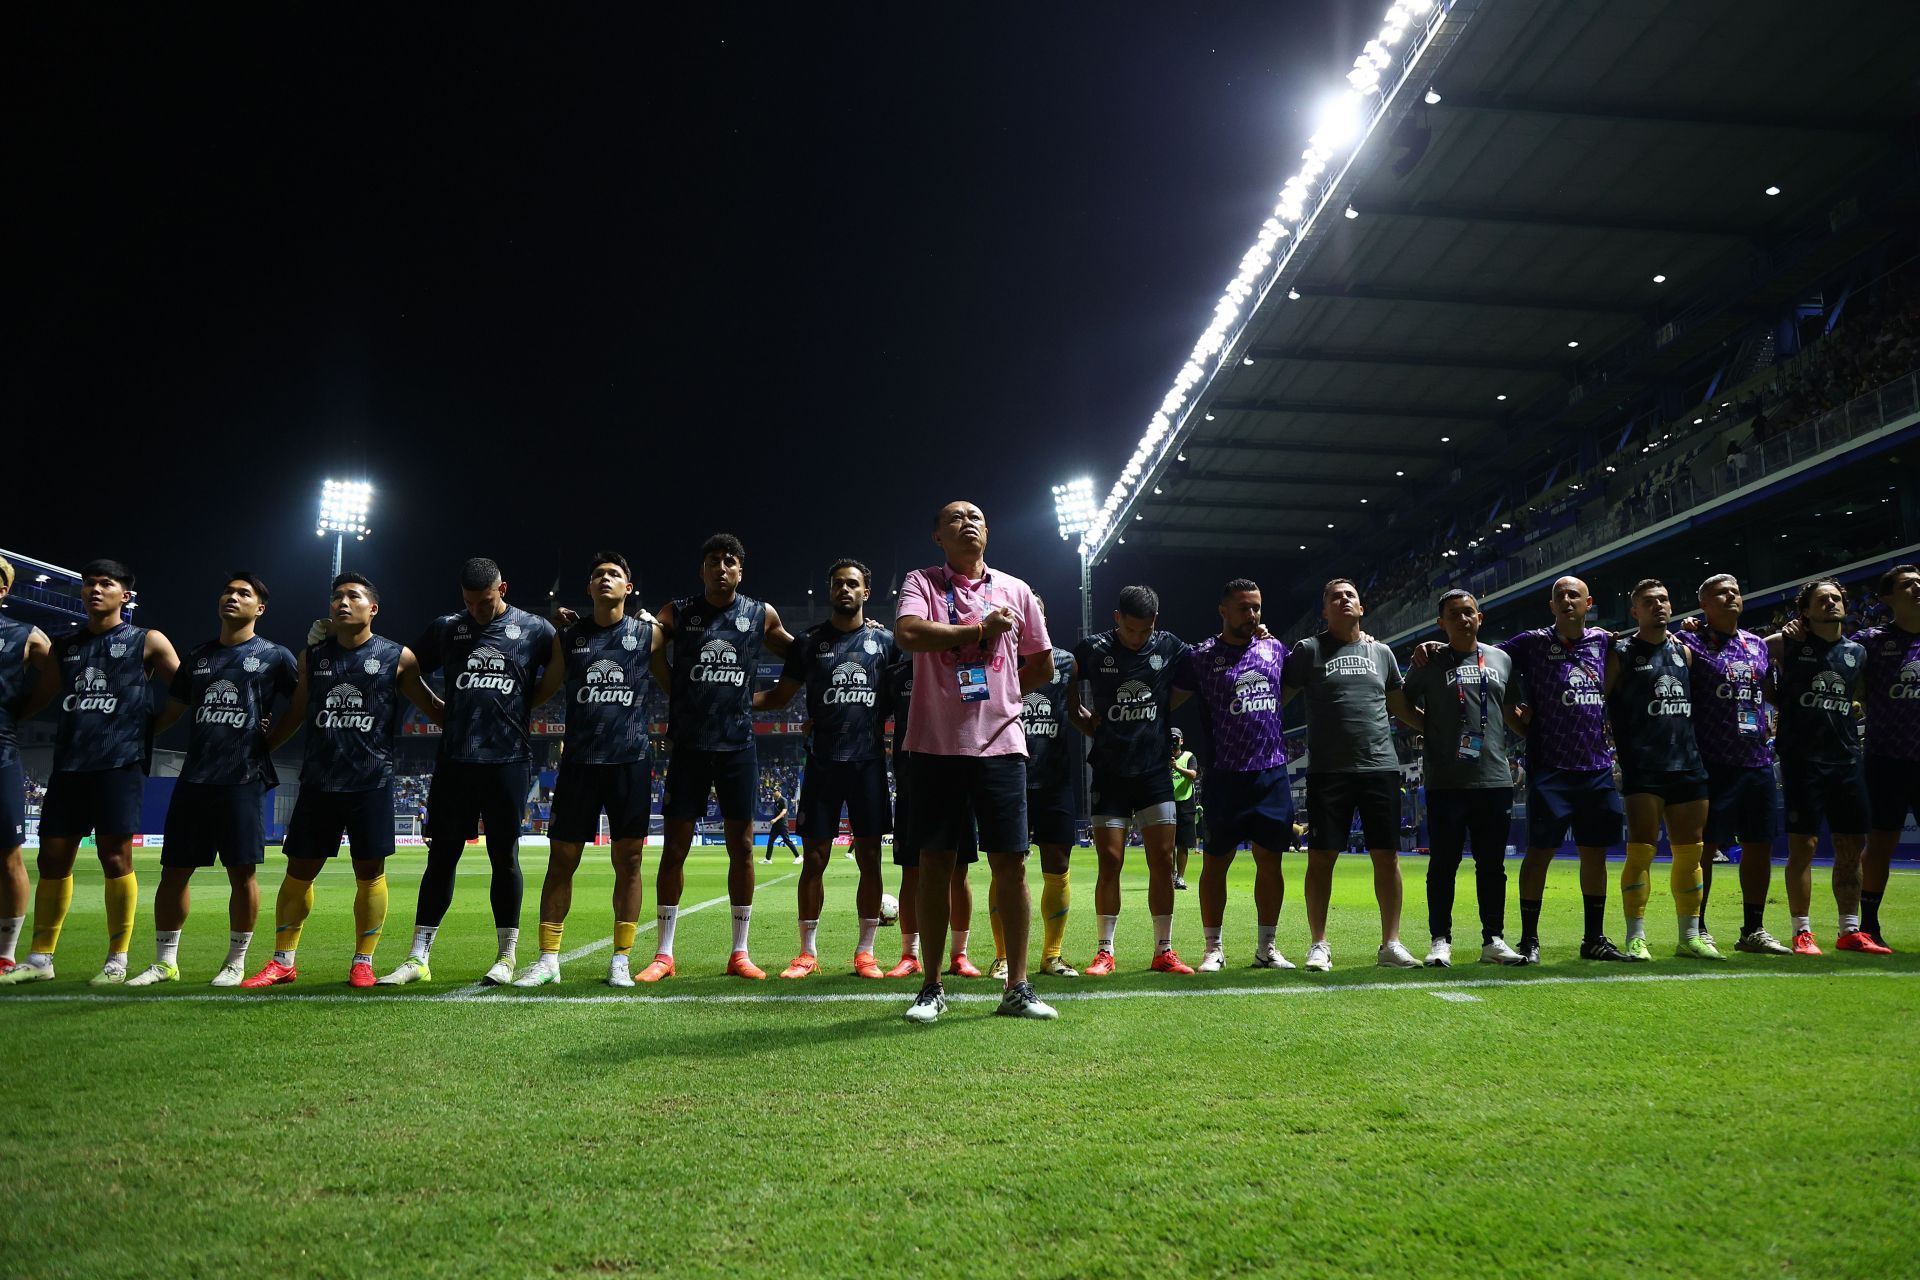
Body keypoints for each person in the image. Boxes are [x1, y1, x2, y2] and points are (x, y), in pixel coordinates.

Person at [893, 499, 1056, 1022]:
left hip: (1002, 745)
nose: (968, 524)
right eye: (955, 519)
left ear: (988, 532)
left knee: (1011, 864)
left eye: (977, 518)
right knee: (935, 866)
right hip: (935, 747)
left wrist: (1003, 697)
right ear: (937, 535)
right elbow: (908, 634)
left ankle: (1018, 986)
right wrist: (976, 632)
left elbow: (1043, 666)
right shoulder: (921, 582)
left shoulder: (1017, 589)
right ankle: (932, 985)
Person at [241, 573, 441, 987]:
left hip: (371, 781)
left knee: (369, 872)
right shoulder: (312, 656)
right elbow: (296, 712)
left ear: (374, 609)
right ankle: (283, 961)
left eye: (353, 596)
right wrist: (263, 746)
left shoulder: (397, 656)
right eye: (336, 597)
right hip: (319, 781)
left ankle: (363, 961)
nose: (342, 603)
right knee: (299, 871)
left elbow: (433, 707)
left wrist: (478, 709)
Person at [1, 559, 180, 987]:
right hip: (70, 764)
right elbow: (40, 698)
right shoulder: (65, 647)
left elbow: (187, 689)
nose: (94, 590)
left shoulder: (147, 640)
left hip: (119, 764)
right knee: (52, 858)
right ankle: (41, 958)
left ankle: (117, 958)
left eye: (106, 584)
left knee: (115, 856)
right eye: (89, 584)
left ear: (126, 595)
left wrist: (152, 726)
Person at [380, 558, 557, 986]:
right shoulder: (447, 628)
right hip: (455, 762)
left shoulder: (534, 628)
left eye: (486, 600)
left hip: (508, 760)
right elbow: (404, 666)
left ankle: (506, 956)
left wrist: (527, 702)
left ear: (503, 589)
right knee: (441, 858)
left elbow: (563, 666)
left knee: (504, 857)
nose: (478, 609)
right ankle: (418, 957)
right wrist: (435, 709)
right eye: (470, 602)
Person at [1439, 576, 1629, 964]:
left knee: (1595, 855)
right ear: (1552, 605)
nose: (1567, 600)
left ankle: (1594, 937)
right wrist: (1438, 648)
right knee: (1540, 854)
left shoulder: (1604, 642)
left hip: (1596, 767)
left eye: (1574, 595)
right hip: (1550, 767)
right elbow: (1479, 654)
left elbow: (1630, 659)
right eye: (1559, 596)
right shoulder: (1532, 642)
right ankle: (1529, 939)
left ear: (1588, 601)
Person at [126, 573, 298, 986]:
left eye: (244, 594)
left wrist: (269, 741)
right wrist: (134, 728)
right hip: (194, 779)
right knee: (174, 872)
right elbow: (174, 710)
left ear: (260, 608)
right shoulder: (199, 656)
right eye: (227, 591)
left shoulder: (275, 656)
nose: (232, 598)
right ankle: (165, 962)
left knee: (242, 874)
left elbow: (303, 702)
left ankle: (235, 961)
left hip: (242, 779)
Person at [642, 534, 796, 981]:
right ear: (702, 569)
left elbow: (803, 654)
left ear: (740, 571)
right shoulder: (678, 611)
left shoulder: (759, 613)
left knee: (743, 848)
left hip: (738, 746)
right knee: (674, 849)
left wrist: (770, 699)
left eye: (730, 562)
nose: (721, 568)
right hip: (688, 746)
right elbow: (646, 645)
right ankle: (664, 954)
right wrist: (675, 692)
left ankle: (740, 952)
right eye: (713, 561)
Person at [513, 552, 658, 988]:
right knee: (561, 861)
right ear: (589, 588)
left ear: (628, 588)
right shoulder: (569, 637)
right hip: (578, 763)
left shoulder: (650, 634)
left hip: (630, 761)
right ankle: (548, 959)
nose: (605, 579)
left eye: (614, 574)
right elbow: (545, 687)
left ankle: (621, 959)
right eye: (598, 575)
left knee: (629, 863)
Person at [754, 558, 899, 980]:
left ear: (865, 593)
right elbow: (780, 696)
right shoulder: (809, 643)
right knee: (813, 858)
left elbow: (902, 694)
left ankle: (866, 953)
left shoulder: (886, 642)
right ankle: (807, 953)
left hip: (869, 762)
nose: (845, 590)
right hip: (821, 762)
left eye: (853, 584)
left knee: (870, 858)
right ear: (830, 589)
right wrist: (733, 701)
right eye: (838, 584)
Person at [1282, 578, 1420, 971]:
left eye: (1350, 597)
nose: (1343, 601)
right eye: (1333, 598)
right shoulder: (1307, 651)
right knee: (1322, 857)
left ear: (1361, 608)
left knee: (1387, 856)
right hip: (1329, 770)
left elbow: (1401, 708)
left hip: (1380, 766)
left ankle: (1390, 943)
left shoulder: (1383, 653)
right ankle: (1319, 943)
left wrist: (1441, 731)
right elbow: (1275, 697)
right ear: (1324, 612)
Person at [1173, 578, 1295, 971]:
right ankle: (1213, 948)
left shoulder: (1275, 648)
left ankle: (1267, 947)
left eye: (1257, 607)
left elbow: (1287, 691)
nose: (1252, 614)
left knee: (1270, 862)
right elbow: (1171, 698)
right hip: (1225, 775)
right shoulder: (1202, 657)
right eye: (1243, 607)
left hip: (1272, 773)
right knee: (1215, 864)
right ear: (1223, 610)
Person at [1399, 590, 1525, 967]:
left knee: (1492, 867)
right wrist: (1430, 727)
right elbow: (1401, 702)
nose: (1463, 619)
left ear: (1480, 617)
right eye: (1454, 614)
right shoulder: (1429, 660)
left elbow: (1511, 710)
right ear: (1442, 623)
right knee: (1443, 864)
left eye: (1468, 612)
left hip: (1493, 779)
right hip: (1446, 781)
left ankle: (1494, 940)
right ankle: (1441, 941)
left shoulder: (1501, 659)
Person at [1071, 585, 1193, 975]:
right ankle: (1105, 951)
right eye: (1130, 630)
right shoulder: (1094, 649)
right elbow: (1060, 674)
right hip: (1109, 770)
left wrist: (1161, 707)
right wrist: (1081, 718)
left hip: (1155, 771)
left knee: (1162, 859)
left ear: (1154, 623)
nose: (1137, 638)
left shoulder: (1169, 646)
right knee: (1110, 861)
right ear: (1117, 618)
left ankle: (1164, 950)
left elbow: (1202, 667)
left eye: (1145, 631)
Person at [1605, 579, 1718, 961]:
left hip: (1688, 764)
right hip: (1643, 767)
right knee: (1641, 852)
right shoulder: (1619, 652)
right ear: (1634, 611)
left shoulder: (1684, 652)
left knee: (1691, 855)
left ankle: (1690, 937)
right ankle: (1636, 937)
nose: (1659, 606)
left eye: (1665, 600)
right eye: (1649, 602)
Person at [1677, 574, 1789, 953]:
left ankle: (1753, 930)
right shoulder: (1689, 643)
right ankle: (1699, 928)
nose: (1730, 597)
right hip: (1711, 763)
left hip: (1756, 760)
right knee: (1704, 849)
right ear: (1704, 605)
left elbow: (1770, 691)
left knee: (1759, 845)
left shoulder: (1757, 645)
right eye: (1719, 594)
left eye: (1735, 592)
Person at [1768, 579, 1875, 954]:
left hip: (1846, 758)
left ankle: (1850, 930)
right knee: (1805, 846)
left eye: (1836, 598)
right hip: (1802, 759)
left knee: (1851, 845)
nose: (1831, 603)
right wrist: (1776, 697)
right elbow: (1747, 653)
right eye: (1822, 599)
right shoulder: (1787, 643)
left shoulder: (1857, 652)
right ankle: (1802, 931)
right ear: (1806, 611)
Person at [882, 646, 980, 979]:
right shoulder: (897, 674)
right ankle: (910, 955)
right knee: (912, 871)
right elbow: (872, 716)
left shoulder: (964, 666)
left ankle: (960, 955)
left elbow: (982, 709)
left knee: (959, 871)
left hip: (960, 779)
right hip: (912, 782)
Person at [996, 594, 1078, 979]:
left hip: (1055, 779)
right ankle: (1002, 957)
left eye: (1038, 614)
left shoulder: (1065, 662)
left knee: (1057, 866)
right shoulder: (998, 661)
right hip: (1010, 776)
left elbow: (1076, 711)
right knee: (1007, 870)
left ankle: (1052, 955)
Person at [1856, 563, 1920, 951]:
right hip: (1886, 757)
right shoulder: (1871, 641)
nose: (1917, 589)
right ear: (1887, 598)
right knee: (1880, 841)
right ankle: (1868, 925)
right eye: (1908, 585)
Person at [0, 556, 53, 975]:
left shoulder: (25, 636)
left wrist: (23, 711)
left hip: (1, 751)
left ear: (4, 589)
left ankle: (5, 953)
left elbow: (58, 675)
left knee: (9, 857)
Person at [1170, 728, 1198, 891]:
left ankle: (1180, 876)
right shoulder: (1161, 756)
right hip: (1167, 803)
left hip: (1185, 804)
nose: (1173, 742)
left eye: (1176, 739)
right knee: (1169, 844)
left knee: (1183, 844)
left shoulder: (1188, 756)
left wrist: (1175, 767)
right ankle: (1172, 874)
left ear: (1181, 741)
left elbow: (1193, 774)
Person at [763, 790, 799, 864]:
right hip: (776, 825)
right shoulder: (776, 801)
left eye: (775, 791)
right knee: (770, 841)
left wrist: (775, 819)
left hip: (782, 824)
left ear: (779, 792)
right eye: (773, 792)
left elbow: (784, 812)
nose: (773, 793)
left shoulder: (783, 800)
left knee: (787, 841)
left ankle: (798, 857)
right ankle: (768, 859)